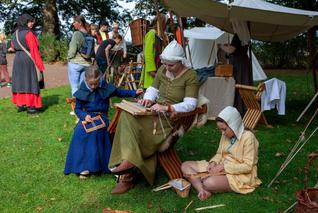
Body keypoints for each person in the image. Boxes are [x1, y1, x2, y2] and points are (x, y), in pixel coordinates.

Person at [108, 40, 199, 194]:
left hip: (170, 119)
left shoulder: (190, 75)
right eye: (166, 64)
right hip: (154, 111)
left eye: (171, 65)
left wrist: (168, 107)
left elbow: (191, 104)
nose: (167, 68)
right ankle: (128, 165)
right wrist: (149, 98)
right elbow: (152, 89)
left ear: (180, 62)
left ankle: (127, 171)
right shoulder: (163, 69)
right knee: (126, 116)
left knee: (133, 125)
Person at [64, 65, 143, 179]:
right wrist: (84, 116)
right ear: (86, 80)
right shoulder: (83, 89)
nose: (93, 86)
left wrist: (134, 92)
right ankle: (82, 167)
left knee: (95, 131)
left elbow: (119, 92)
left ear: (99, 79)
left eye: (95, 83)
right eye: (91, 84)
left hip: (101, 117)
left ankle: (94, 166)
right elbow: (78, 108)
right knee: (79, 132)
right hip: (87, 117)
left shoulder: (104, 87)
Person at [181, 106, 261, 201]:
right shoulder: (226, 135)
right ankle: (202, 190)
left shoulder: (248, 137)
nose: (222, 133)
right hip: (219, 167)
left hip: (238, 174)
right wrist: (213, 163)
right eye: (220, 130)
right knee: (185, 165)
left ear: (234, 125)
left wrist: (223, 167)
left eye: (224, 129)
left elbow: (247, 166)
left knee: (208, 182)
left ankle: (204, 185)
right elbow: (219, 154)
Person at [11, 14, 45, 114]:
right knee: (30, 82)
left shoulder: (14, 33)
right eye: (29, 21)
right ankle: (31, 107)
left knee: (20, 81)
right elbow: (34, 50)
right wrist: (40, 65)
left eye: (32, 21)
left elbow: (12, 46)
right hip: (28, 60)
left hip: (17, 59)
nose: (32, 23)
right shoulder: (29, 34)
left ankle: (20, 105)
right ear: (24, 22)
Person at [218, 34, 252, 116]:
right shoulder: (245, 34)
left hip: (239, 65)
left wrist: (221, 46)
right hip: (243, 62)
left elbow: (231, 50)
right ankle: (244, 109)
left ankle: (241, 110)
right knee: (243, 84)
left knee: (239, 85)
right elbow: (236, 49)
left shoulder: (238, 35)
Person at [67, 15, 92, 96]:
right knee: (83, 87)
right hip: (86, 64)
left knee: (74, 87)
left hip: (76, 63)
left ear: (80, 23)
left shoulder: (77, 34)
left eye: (74, 22)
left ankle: (76, 106)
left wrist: (68, 58)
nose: (73, 24)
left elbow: (73, 49)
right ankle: (84, 105)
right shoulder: (88, 34)